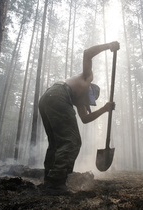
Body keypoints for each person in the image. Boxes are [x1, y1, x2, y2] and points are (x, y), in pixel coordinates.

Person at [38, 41, 120, 193]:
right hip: (59, 95)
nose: (88, 102)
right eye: (91, 98)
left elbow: (85, 119)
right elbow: (87, 53)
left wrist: (104, 109)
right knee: (72, 141)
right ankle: (56, 183)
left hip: (46, 99)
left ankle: (49, 181)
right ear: (91, 90)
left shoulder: (79, 99)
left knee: (56, 143)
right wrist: (108, 46)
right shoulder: (87, 78)